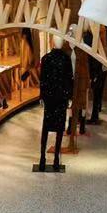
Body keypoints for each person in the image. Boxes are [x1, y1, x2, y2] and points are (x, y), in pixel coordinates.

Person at [37, 39, 73, 171]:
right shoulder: (66, 59)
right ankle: (56, 159)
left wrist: (42, 96)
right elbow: (69, 79)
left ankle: (42, 158)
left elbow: (43, 80)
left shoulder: (46, 58)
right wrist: (69, 96)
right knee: (59, 128)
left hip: (50, 98)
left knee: (46, 127)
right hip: (61, 98)